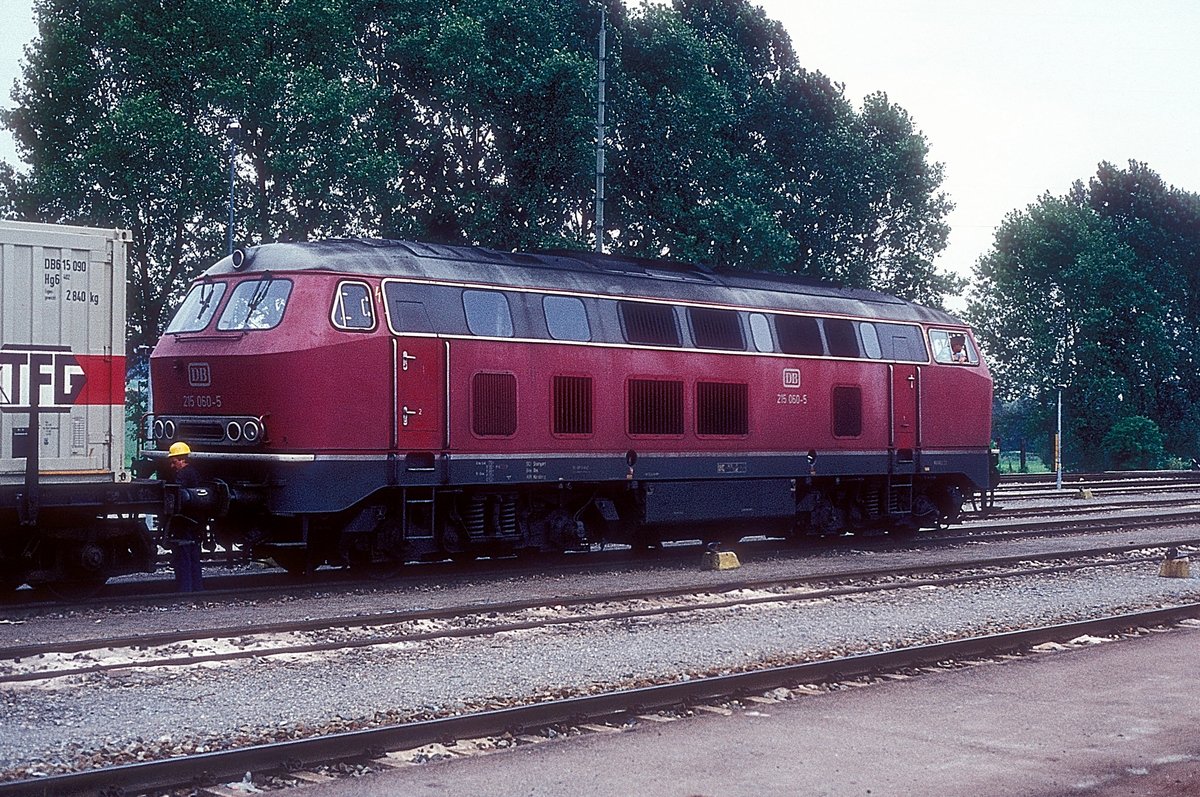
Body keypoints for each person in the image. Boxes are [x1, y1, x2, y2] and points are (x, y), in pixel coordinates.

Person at [164, 441, 204, 592]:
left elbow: (178, 496)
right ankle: (197, 588)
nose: (172, 466)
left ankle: (185, 589)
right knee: (194, 554)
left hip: (185, 521)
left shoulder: (182, 475)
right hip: (195, 521)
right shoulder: (195, 473)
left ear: (182, 459)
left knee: (184, 554)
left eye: (174, 462)